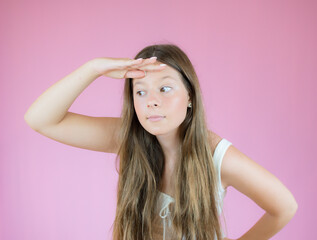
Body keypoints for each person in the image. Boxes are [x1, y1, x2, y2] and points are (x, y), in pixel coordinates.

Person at [24, 43, 298, 240]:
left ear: (190, 97)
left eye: (165, 88)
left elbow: (284, 207)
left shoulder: (217, 156)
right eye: (140, 91)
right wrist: (93, 68)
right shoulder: (128, 138)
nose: (152, 100)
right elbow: (41, 119)